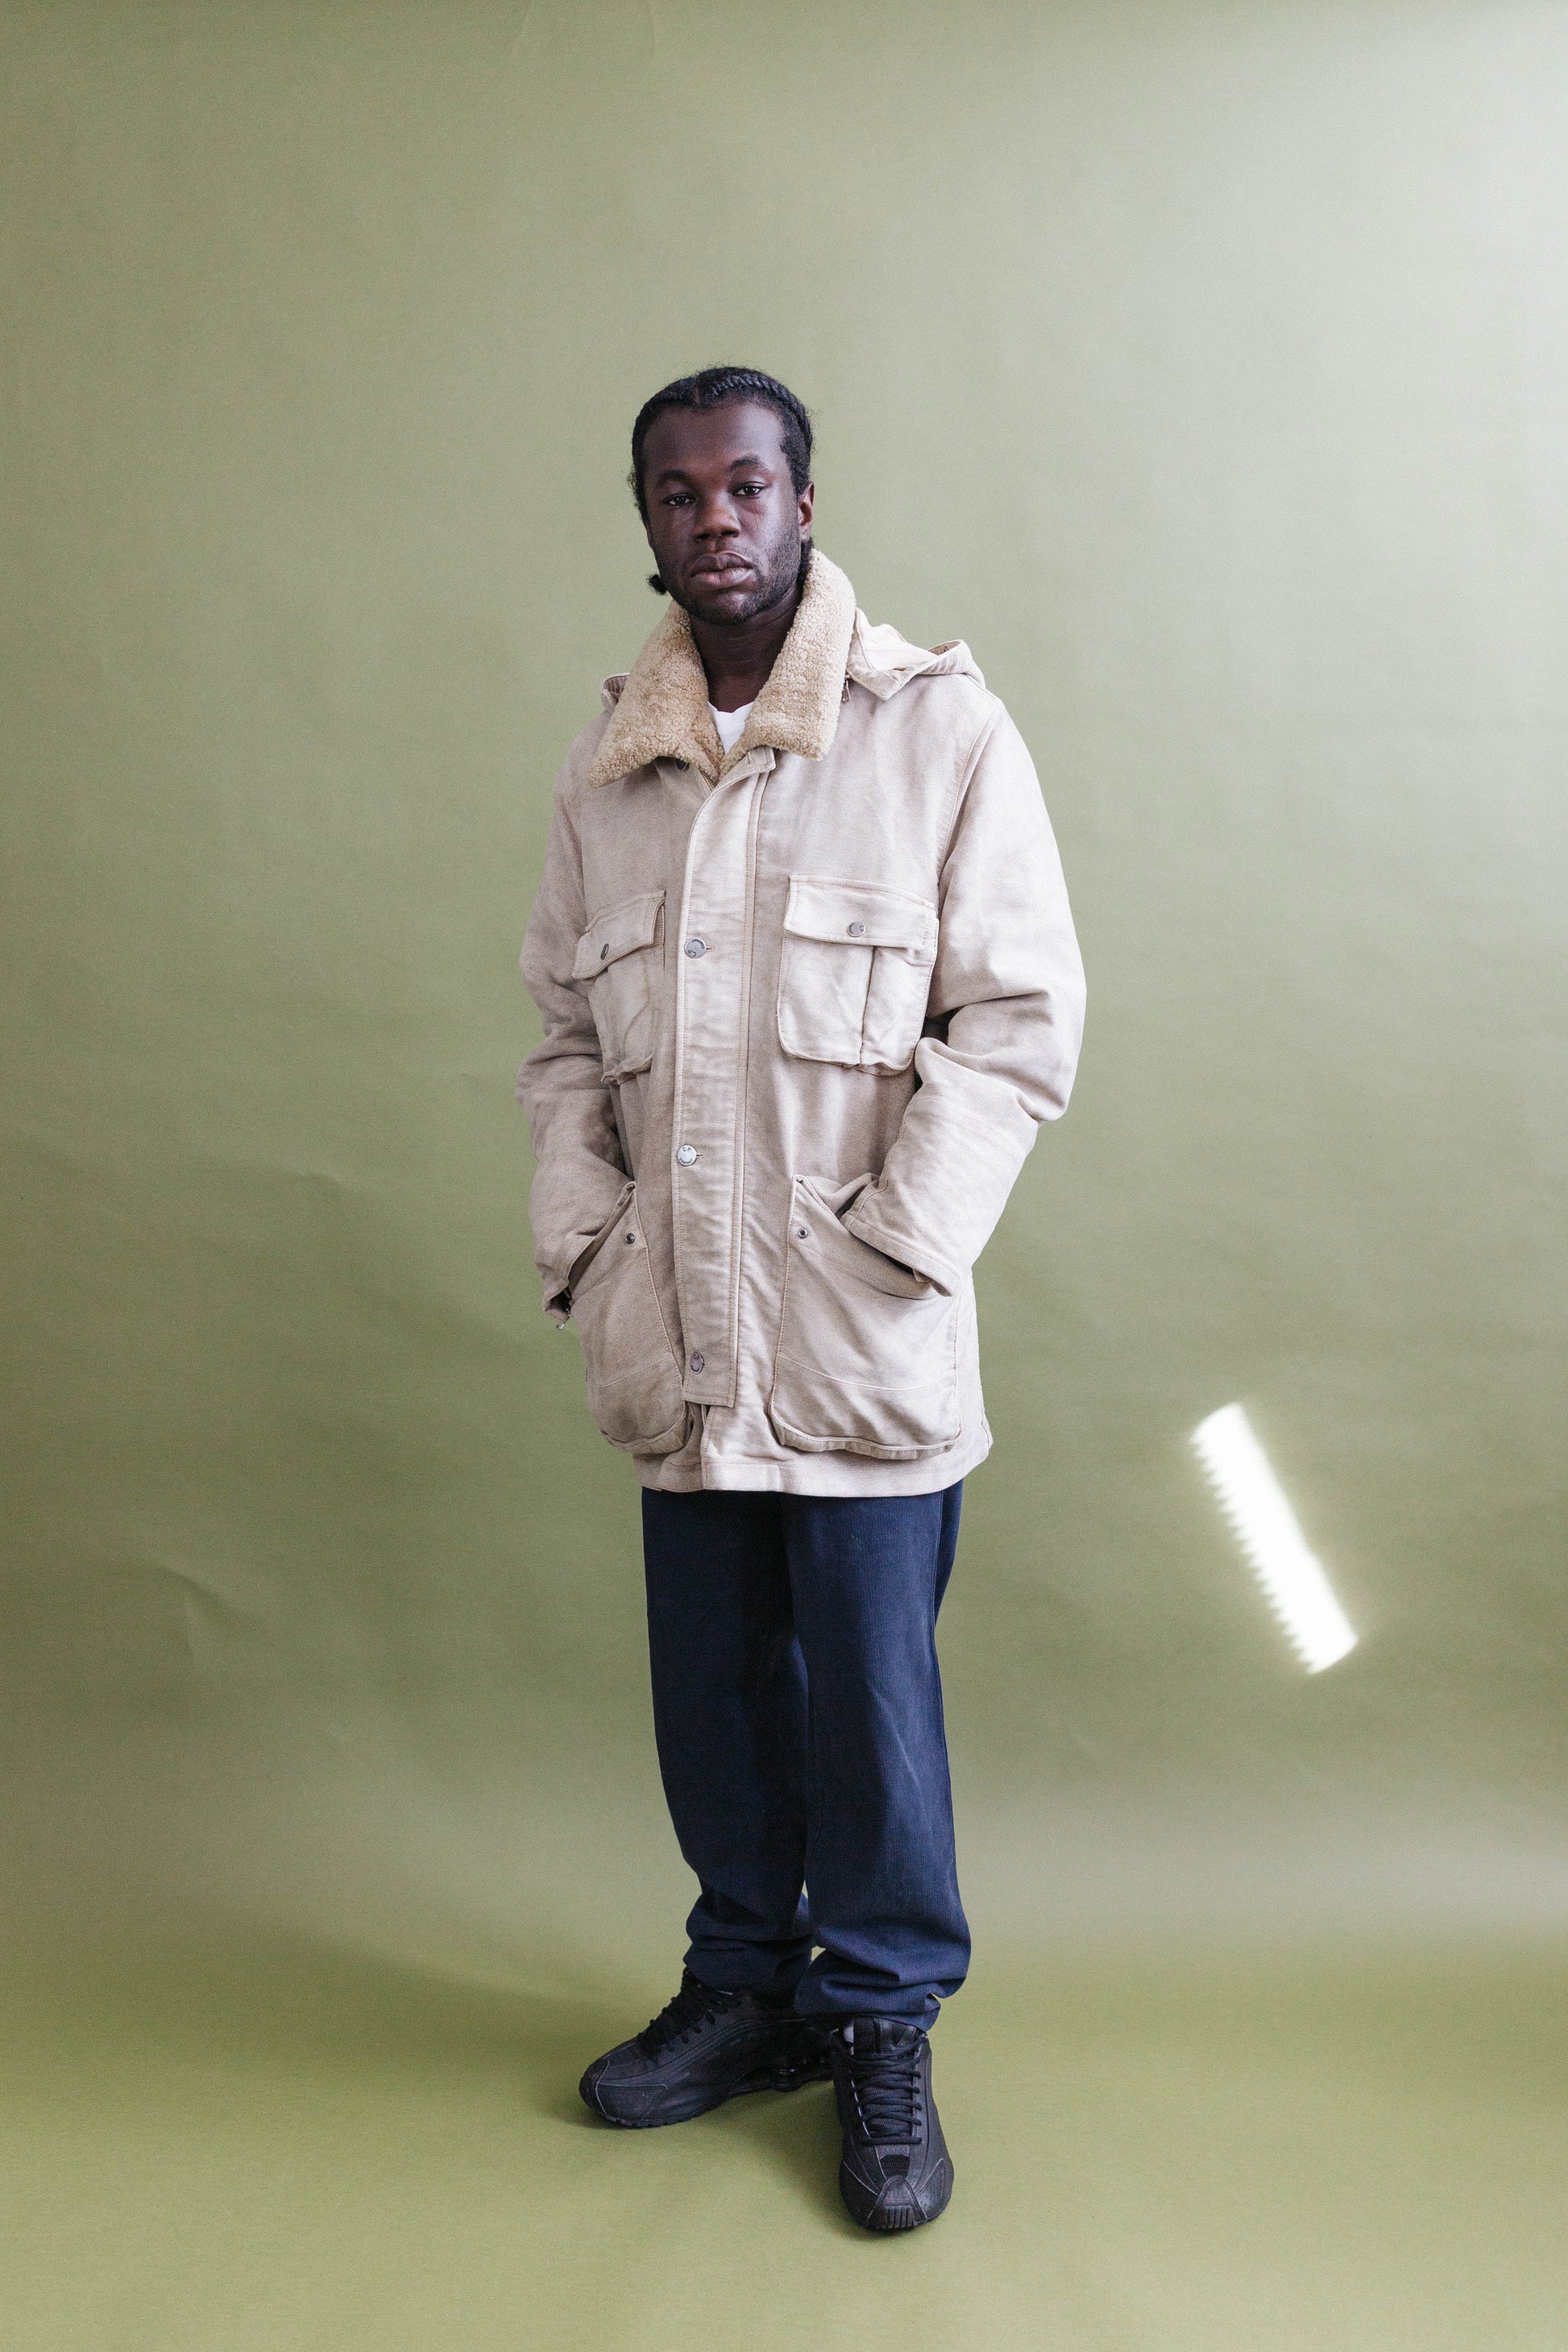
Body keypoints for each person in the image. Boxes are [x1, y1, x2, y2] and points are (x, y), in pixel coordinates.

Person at [516, 366, 1085, 2231]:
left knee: (871, 1710)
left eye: (746, 483)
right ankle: (746, 1985)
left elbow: (1017, 1022)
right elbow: (560, 1042)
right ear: (648, 521)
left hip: (856, 1331)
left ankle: (881, 2018)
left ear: (804, 501)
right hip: (678, 1330)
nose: (716, 516)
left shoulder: (937, 732)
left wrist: (900, 1243)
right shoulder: (607, 772)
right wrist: (592, 1243)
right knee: (714, 1697)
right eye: (678, 491)